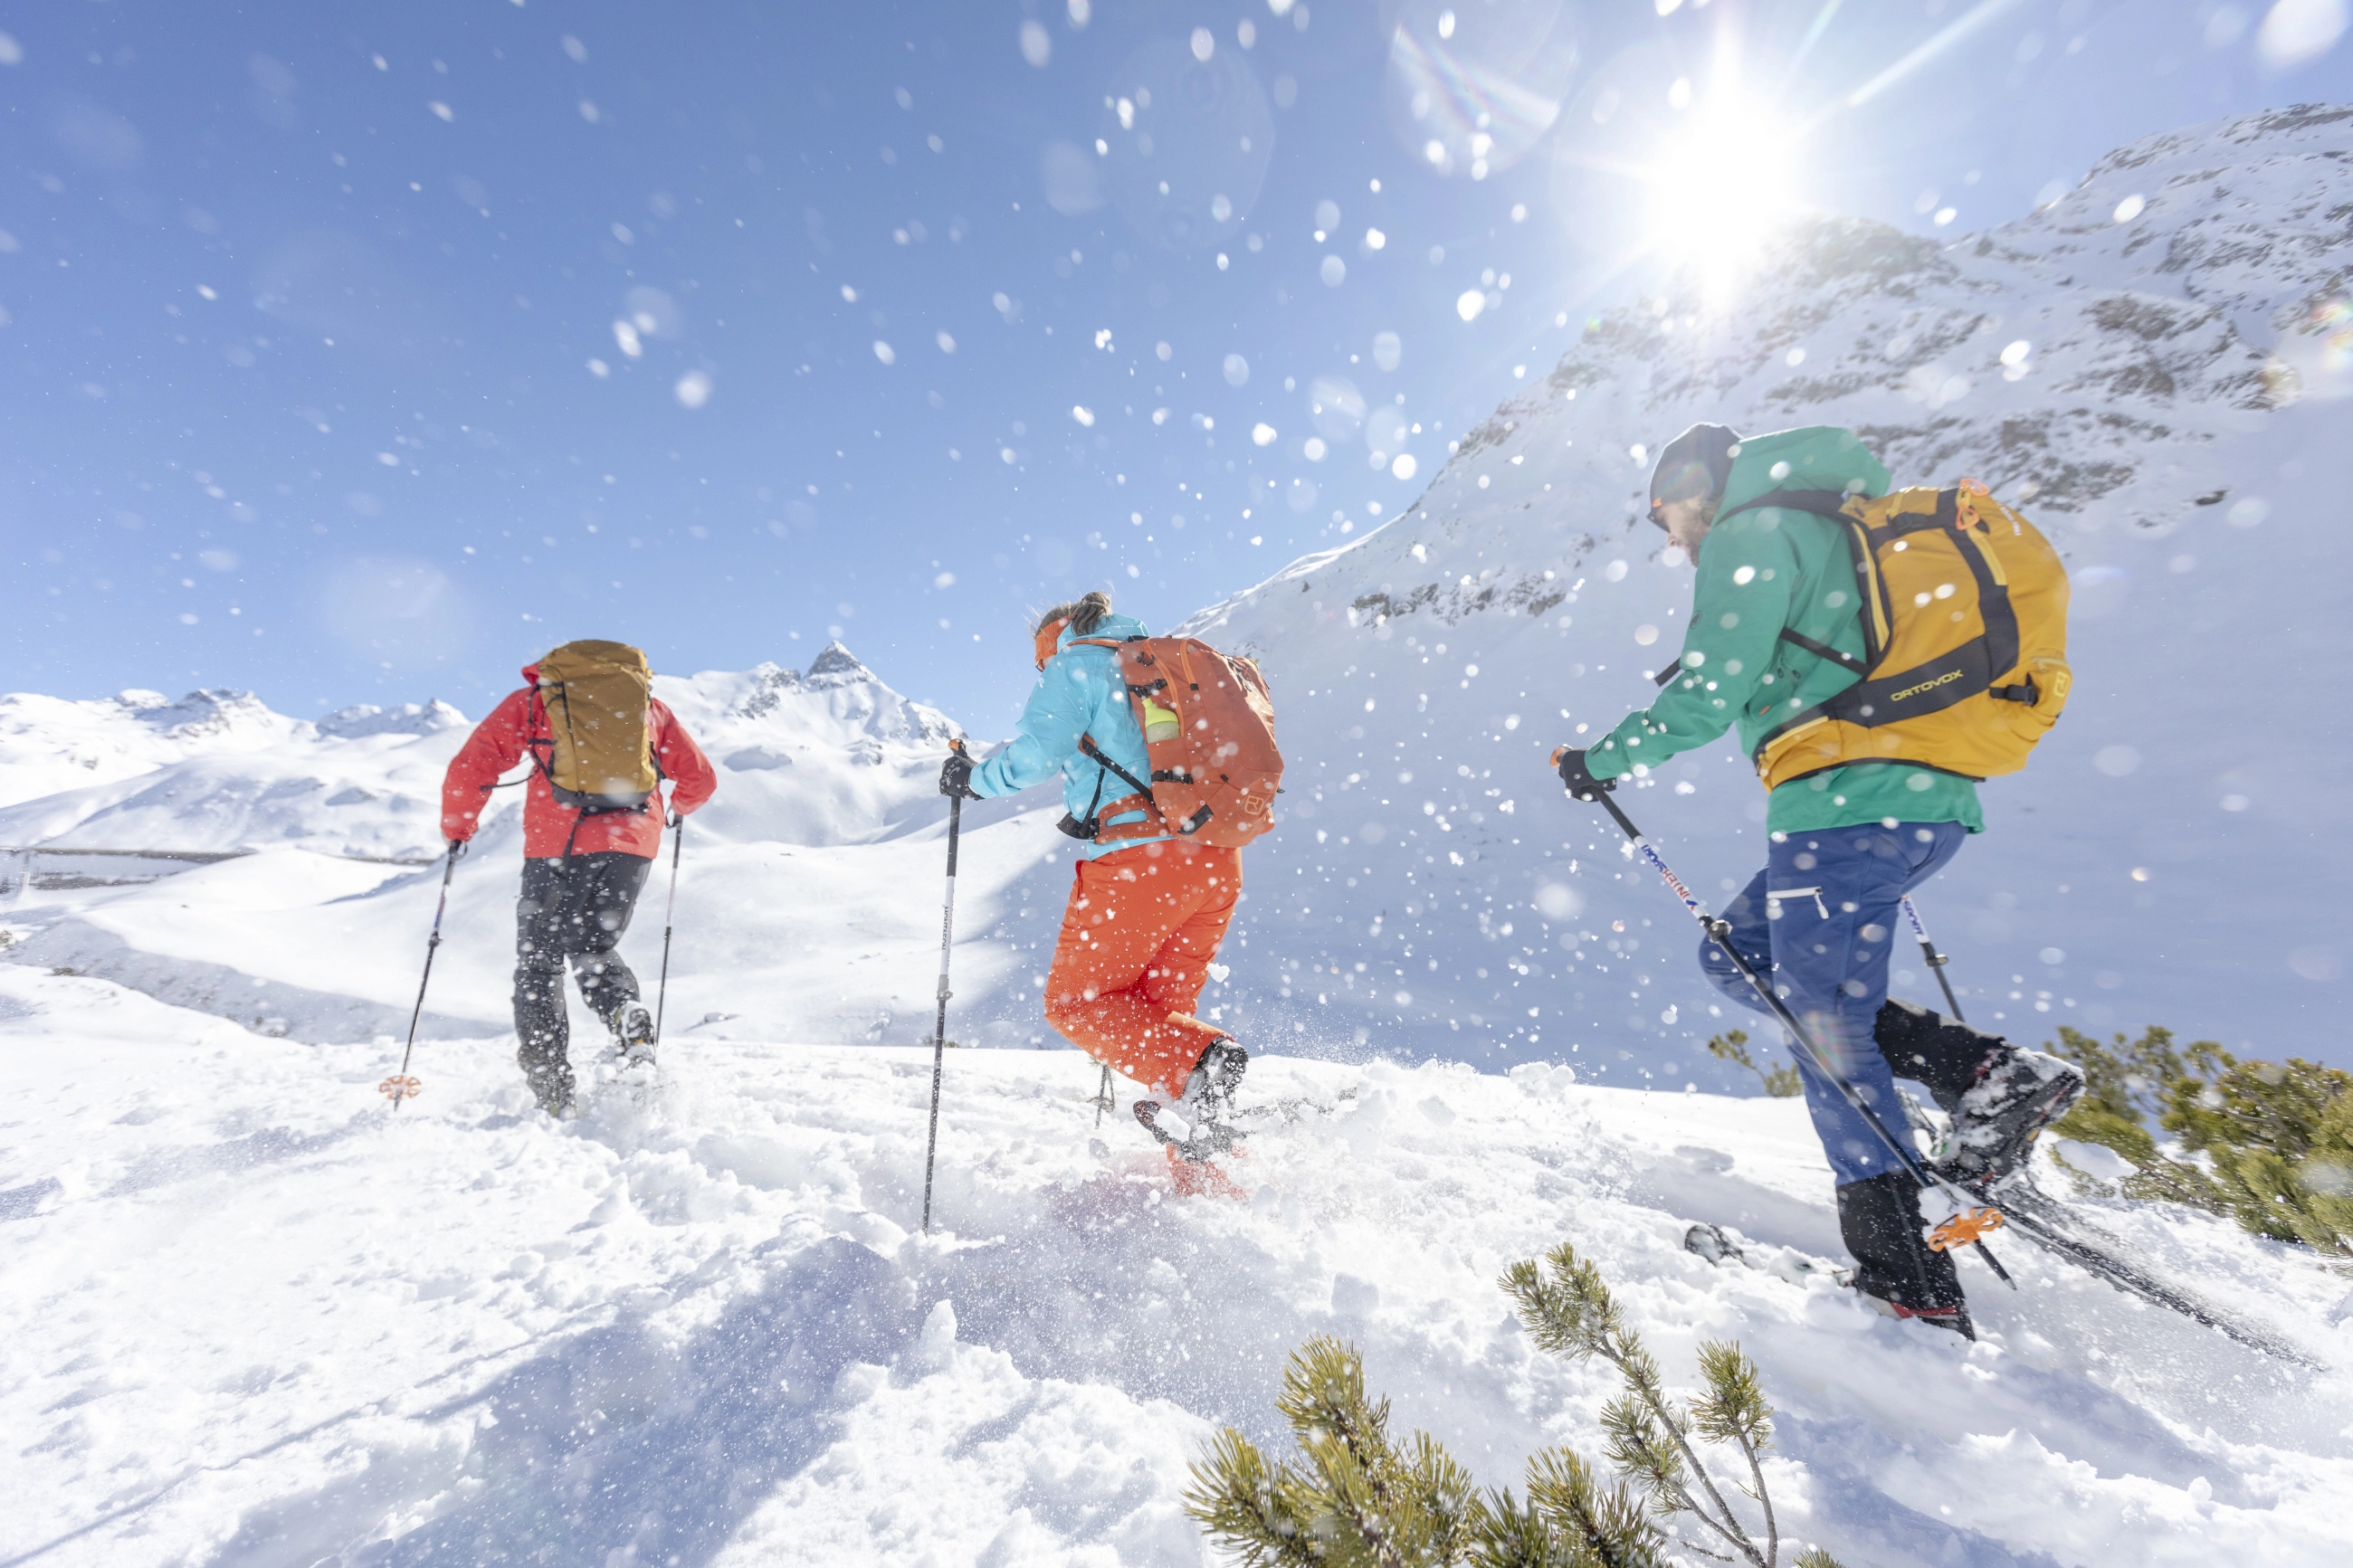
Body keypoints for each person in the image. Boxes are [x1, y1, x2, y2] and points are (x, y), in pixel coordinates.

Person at [1552, 423, 2084, 1338]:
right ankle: (1978, 1074)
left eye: (1666, 509)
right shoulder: (1832, 525)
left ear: (1698, 487)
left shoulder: (1750, 530)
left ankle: (1906, 1274)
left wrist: (1599, 759)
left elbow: (1709, 691)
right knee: (1740, 960)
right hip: (1913, 804)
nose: (1669, 533)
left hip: (1844, 809)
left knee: (1821, 1023)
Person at [938, 590, 1250, 1164]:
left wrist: (972, 780)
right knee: (1160, 1032)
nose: (1041, 672)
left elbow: (1035, 757)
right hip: (1216, 859)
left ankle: (1211, 1059)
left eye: (1039, 662)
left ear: (1051, 642)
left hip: (1142, 864)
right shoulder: (1162, 665)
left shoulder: (1074, 664)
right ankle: (1213, 1186)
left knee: (1076, 1005)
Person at [440, 643, 716, 1117]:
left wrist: (458, 829)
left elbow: (473, 766)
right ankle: (624, 1011)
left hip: (557, 845)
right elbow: (700, 778)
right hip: (631, 845)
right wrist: (679, 807)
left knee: (539, 965)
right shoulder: (649, 708)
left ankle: (554, 1094)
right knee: (593, 946)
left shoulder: (535, 701)